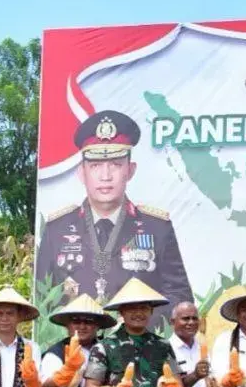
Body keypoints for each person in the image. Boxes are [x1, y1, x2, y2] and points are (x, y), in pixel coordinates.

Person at [36, 109, 192, 324]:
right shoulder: (58, 228)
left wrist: (137, 326)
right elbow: (42, 297)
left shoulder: (156, 227)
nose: (106, 176)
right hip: (76, 345)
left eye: (116, 165)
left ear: (130, 170)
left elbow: (179, 297)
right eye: (96, 165)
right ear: (82, 172)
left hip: (138, 346)